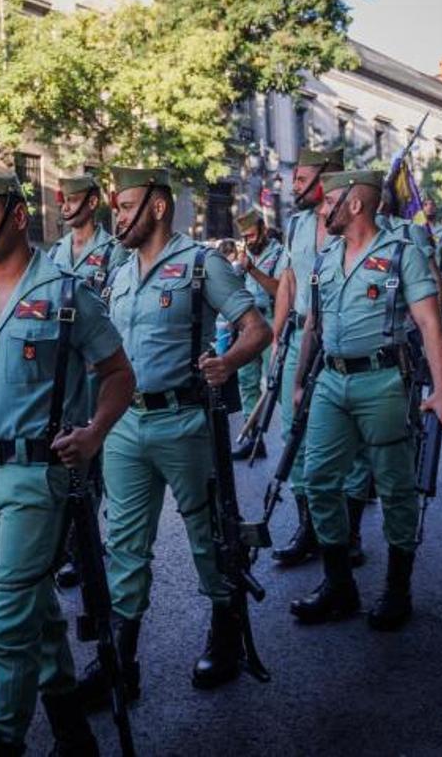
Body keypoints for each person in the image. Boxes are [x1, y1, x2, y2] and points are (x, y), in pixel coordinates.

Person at [0, 171, 134, 756]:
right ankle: (73, 731)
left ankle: (3, 740)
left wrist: (94, 434)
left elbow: (118, 373)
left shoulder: (66, 293)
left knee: (10, 623)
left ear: (19, 218)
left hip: (36, 479)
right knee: (36, 607)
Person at [74, 166, 269, 704]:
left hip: (184, 423)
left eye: (127, 205)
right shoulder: (117, 271)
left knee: (208, 537)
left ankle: (225, 634)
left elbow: (259, 328)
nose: (118, 216)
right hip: (124, 424)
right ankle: (120, 657)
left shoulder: (200, 264)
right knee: (125, 547)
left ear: (157, 208)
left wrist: (227, 362)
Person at [290, 170, 442, 631]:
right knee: (319, 479)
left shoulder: (402, 253)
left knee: (394, 488)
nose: (323, 210)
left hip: (382, 381)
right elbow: (312, 327)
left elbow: (428, 324)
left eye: (330, 203)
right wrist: (300, 380)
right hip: (331, 380)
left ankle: (397, 589)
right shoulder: (326, 259)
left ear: (356, 205)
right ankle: (339, 584)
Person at [271, 148, 371, 569]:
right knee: (293, 433)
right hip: (299, 337)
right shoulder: (294, 225)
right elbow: (288, 283)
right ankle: (306, 528)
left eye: (302, 178)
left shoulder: (349, 222)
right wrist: (277, 338)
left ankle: (348, 534)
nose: (294, 187)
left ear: (328, 178)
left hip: (342, 339)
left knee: (349, 442)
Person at [45, 173, 129, 588]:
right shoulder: (56, 251)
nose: (65, 206)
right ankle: (78, 545)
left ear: (92, 202)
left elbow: (115, 310)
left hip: (100, 370)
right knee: (72, 463)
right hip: (66, 377)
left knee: (99, 467)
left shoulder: (113, 252)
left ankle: (92, 550)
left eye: (74, 199)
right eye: (63, 199)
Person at [231, 208, 286, 459]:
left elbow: (280, 291)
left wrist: (252, 270)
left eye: (252, 236)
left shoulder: (280, 255)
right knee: (246, 381)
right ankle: (253, 438)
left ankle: (292, 439)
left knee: (277, 384)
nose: (248, 242)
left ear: (263, 230)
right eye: (245, 238)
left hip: (273, 320)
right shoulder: (245, 257)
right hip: (249, 323)